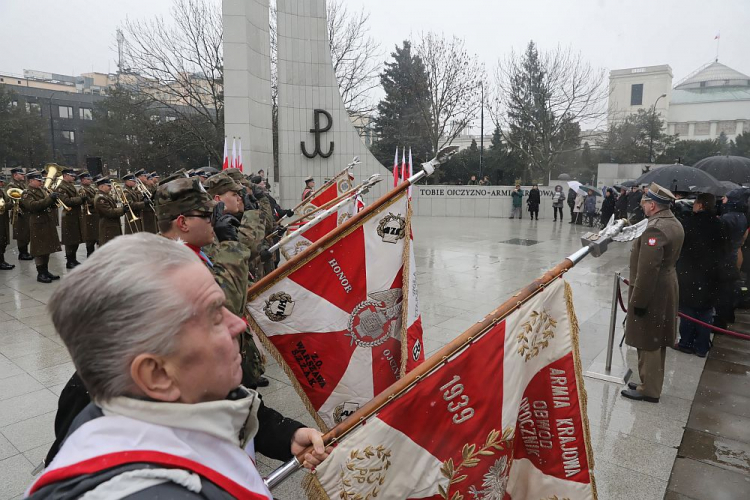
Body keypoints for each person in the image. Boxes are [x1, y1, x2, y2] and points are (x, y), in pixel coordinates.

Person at [28, 234, 329, 499]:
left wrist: (284, 436)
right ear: (157, 375)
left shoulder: (173, 395)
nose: (238, 324)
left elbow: (225, 406)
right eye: (213, 316)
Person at [622, 183, 684, 403]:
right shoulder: (673, 222)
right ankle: (648, 382)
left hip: (653, 291)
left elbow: (648, 270)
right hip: (666, 286)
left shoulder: (655, 229)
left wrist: (638, 300)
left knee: (648, 339)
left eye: (645, 202)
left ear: (654, 205)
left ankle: (649, 390)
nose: (643, 206)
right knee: (655, 338)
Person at [675, 193, 725, 357]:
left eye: (695, 203)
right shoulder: (719, 224)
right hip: (711, 274)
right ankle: (702, 346)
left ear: (701, 205)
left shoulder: (689, 223)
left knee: (688, 309)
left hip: (690, 273)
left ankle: (686, 342)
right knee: (705, 311)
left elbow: (681, 247)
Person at [715, 188, 750, 328]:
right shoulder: (741, 216)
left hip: (726, 256)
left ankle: (722, 317)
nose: (723, 200)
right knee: (732, 286)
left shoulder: (729, 217)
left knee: (724, 289)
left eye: (725, 198)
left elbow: (719, 238)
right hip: (735, 253)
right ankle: (730, 312)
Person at [20, 170, 62, 284]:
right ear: (31, 181)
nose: (41, 182)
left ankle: (46, 271)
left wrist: (53, 201)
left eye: (41, 180)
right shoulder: (26, 193)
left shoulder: (42, 190)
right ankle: (41, 273)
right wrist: (49, 199)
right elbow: (33, 206)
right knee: (40, 249)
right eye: (38, 180)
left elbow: (46, 203)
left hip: (46, 221)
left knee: (47, 248)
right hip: (37, 223)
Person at [55, 168, 87, 269]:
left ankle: (73, 259)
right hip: (69, 216)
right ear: (65, 176)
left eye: (74, 176)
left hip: (76, 215)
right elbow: (66, 201)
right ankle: (69, 260)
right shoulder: (61, 187)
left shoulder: (70, 185)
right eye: (71, 175)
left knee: (76, 239)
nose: (73, 177)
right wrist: (80, 199)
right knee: (70, 240)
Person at [8, 167, 32, 260]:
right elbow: (15, 198)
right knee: (21, 234)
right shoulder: (12, 185)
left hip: (25, 212)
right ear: (15, 175)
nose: (23, 175)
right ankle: (22, 253)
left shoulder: (21, 184)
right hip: (19, 213)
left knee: (26, 233)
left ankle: (25, 252)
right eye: (21, 174)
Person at [94, 177, 125, 246]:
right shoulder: (100, 198)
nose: (111, 188)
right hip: (108, 227)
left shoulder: (106, 196)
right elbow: (109, 212)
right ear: (102, 186)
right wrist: (122, 210)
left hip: (112, 226)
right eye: (108, 186)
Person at [78, 172, 98, 256]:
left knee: (96, 235)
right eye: (88, 179)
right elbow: (87, 202)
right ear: (82, 180)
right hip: (88, 214)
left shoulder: (91, 188)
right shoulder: (82, 189)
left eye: (90, 179)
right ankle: (90, 255)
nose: (90, 180)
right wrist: (99, 199)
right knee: (90, 237)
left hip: (95, 214)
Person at [0, 176, 15, 270]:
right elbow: (2, 207)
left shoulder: (1, 191)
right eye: (0, 182)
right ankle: (1, 262)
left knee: (3, 240)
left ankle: (2, 261)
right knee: (1, 241)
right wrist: (12, 203)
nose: (2, 183)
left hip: (3, 219)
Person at [136, 169, 157, 234]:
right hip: (144, 212)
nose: (146, 177)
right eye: (144, 176)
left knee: (152, 230)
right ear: (139, 177)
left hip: (149, 211)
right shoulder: (137, 187)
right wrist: (144, 199)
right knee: (148, 230)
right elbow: (138, 198)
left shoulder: (145, 186)